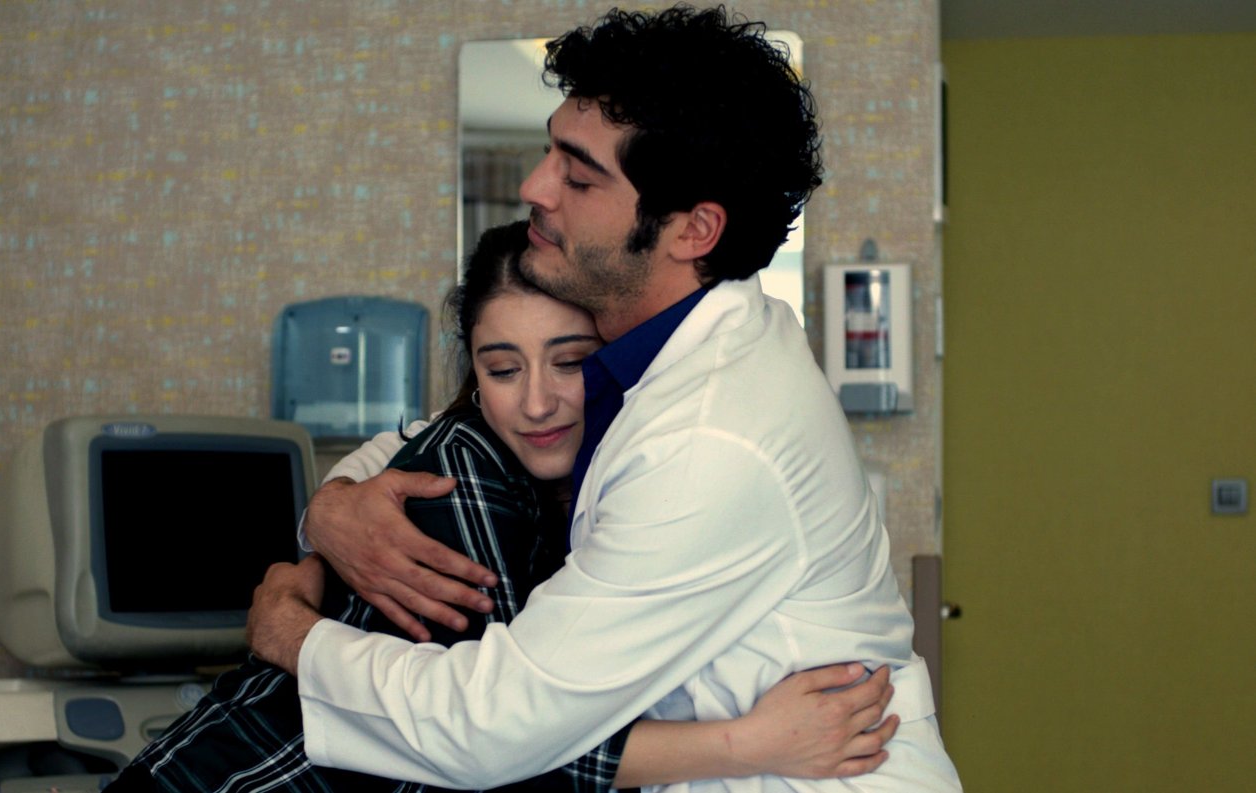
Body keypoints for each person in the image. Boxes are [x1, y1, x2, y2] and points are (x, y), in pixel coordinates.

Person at [249, 5, 962, 792]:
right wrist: (332, 508)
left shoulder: (712, 440)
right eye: (550, 151)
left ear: (693, 231)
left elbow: (493, 725)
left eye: (580, 176)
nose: (534, 187)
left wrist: (294, 635)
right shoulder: (649, 346)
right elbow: (442, 431)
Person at [106, 220, 900, 792]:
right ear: (475, 379)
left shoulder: (631, 470)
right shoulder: (465, 474)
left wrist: (326, 511)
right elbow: (511, 740)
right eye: (503, 367)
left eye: (570, 361)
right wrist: (747, 743)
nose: (538, 402)